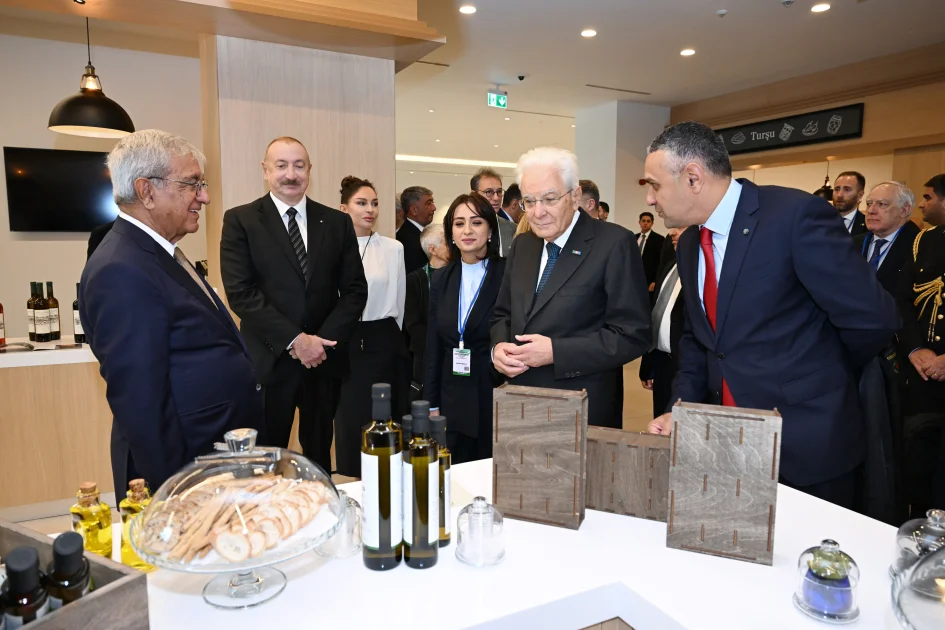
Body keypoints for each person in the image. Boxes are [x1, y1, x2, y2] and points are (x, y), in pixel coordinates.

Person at [643, 122, 899, 509]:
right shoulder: (692, 241)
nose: (649, 199)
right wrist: (680, 408)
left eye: (654, 185)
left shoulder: (794, 216)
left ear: (693, 177)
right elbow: (699, 338)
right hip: (727, 445)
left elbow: (872, 318)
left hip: (804, 446)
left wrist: (813, 373)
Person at [80, 129, 264, 495]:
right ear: (146, 191)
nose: (204, 197)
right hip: (183, 472)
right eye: (192, 184)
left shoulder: (157, 252)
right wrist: (176, 492)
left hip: (208, 458)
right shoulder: (122, 269)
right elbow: (142, 403)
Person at [220, 137, 367, 474]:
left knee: (318, 457)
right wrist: (296, 340)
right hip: (271, 359)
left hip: (323, 360)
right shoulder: (241, 220)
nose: (291, 174)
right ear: (265, 170)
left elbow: (355, 291)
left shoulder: (336, 222)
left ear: (309, 170)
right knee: (266, 460)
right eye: (281, 165)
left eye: (299, 166)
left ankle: (318, 507)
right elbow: (241, 293)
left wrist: (319, 343)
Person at [491, 147, 652, 429]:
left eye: (549, 199)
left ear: (575, 196)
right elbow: (502, 313)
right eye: (529, 201)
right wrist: (498, 348)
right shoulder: (523, 245)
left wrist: (556, 351)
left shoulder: (614, 244)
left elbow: (633, 335)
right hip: (520, 403)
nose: (538, 212)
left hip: (583, 409)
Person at [332, 176, 407, 476]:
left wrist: (392, 337)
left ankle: (390, 478)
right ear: (344, 209)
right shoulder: (331, 250)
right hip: (347, 340)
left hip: (384, 337)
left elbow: (399, 300)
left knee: (388, 414)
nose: (370, 210)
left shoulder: (393, 248)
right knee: (351, 417)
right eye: (361, 203)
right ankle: (353, 477)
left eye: (374, 203)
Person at [425, 193, 506, 463]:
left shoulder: (508, 275)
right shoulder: (441, 279)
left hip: (492, 392)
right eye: (459, 223)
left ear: (490, 230)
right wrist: (432, 403)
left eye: (476, 222)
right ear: (451, 232)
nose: (467, 230)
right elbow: (433, 346)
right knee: (454, 473)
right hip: (452, 395)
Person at [898, 173, 945, 517]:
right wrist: (916, 349)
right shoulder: (924, 240)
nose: (922, 204)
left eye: (928, 197)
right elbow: (903, 301)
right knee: (918, 465)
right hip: (923, 373)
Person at [639, 227, 685, 417]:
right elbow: (657, 315)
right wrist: (648, 364)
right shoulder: (669, 267)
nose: (672, 232)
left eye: (681, 226)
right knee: (660, 421)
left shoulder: (706, 270)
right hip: (662, 363)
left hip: (688, 369)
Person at [404, 223, 450, 402]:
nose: (453, 244)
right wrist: (436, 343)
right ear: (433, 249)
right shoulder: (414, 280)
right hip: (426, 353)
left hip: (455, 351)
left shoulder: (459, 274)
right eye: (447, 242)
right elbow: (412, 324)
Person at [853, 181, 920, 296]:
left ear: (904, 210)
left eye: (882, 204)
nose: (871, 210)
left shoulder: (919, 246)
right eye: (869, 203)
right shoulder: (854, 242)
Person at [470, 167, 516, 257]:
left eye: (499, 192)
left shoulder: (513, 230)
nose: (496, 198)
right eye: (489, 192)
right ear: (474, 194)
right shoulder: (463, 229)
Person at [398, 186, 436, 274]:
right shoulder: (406, 240)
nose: (434, 208)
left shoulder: (421, 234)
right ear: (414, 210)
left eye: (432, 202)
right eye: (428, 203)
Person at [636, 211, 665, 294]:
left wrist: (655, 281)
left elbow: (661, 262)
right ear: (639, 222)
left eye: (648, 221)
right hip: (634, 277)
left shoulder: (659, 239)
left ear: (652, 223)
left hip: (649, 280)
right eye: (643, 221)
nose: (645, 223)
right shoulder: (634, 238)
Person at [833, 171, 868, 236]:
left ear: (860, 195)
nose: (839, 195)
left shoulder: (868, 225)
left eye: (847, 190)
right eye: (837, 189)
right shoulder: (819, 221)